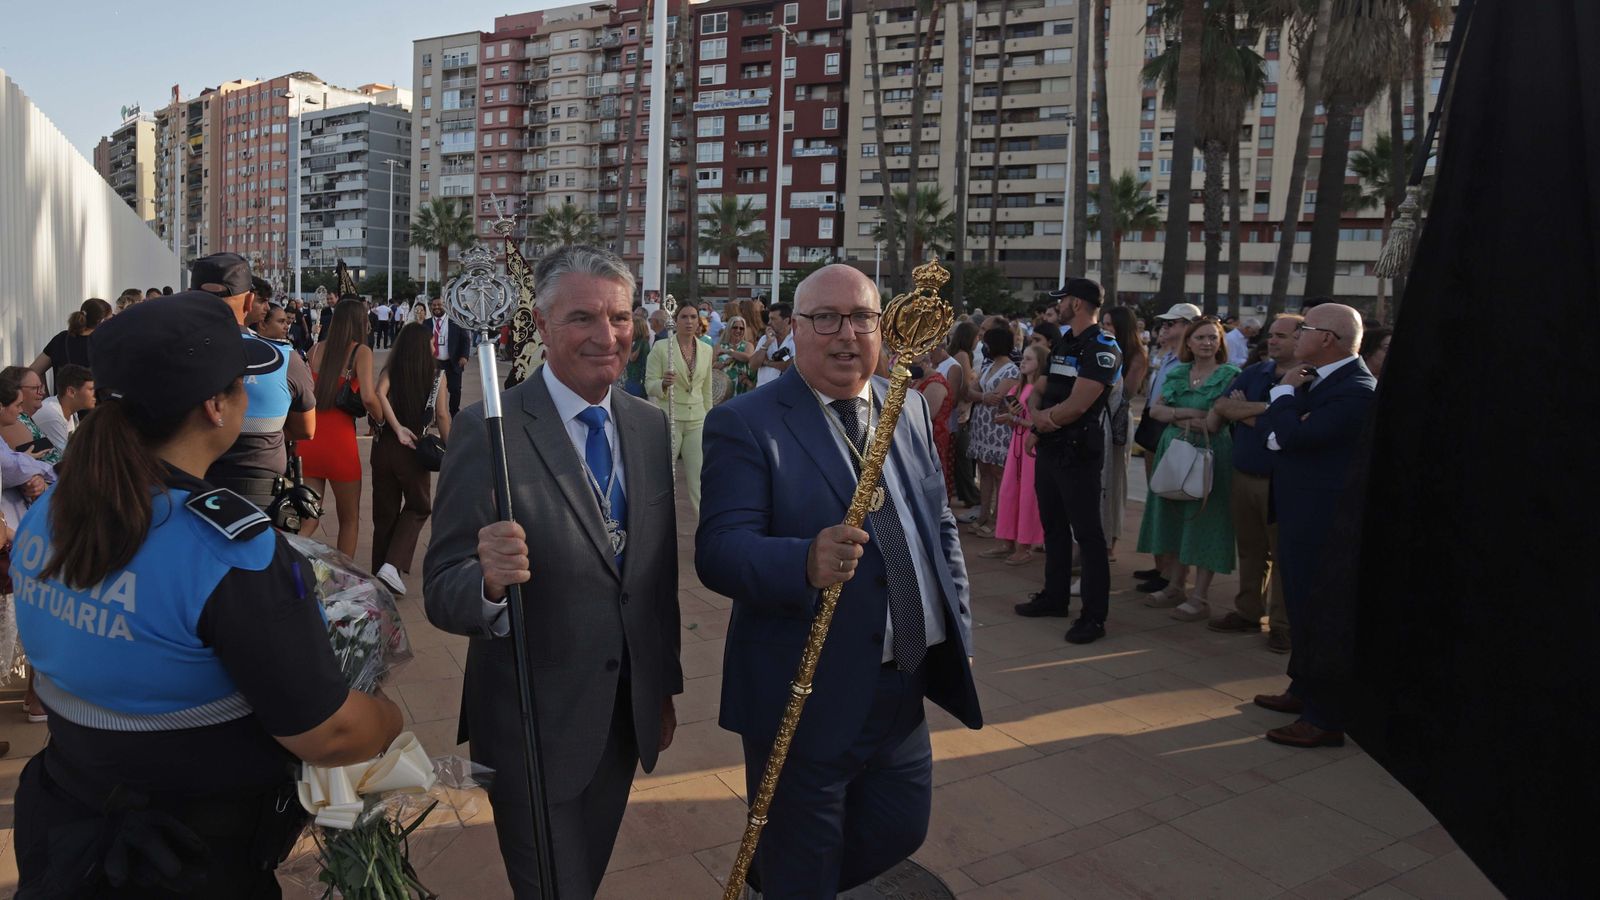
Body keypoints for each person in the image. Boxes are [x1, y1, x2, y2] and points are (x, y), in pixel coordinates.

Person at [10, 294, 403, 895]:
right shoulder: (230, 552)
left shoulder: (52, 510)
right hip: (187, 858)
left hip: (65, 826)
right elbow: (330, 734)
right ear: (217, 407)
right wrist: (385, 717)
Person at [696, 264, 981, 898]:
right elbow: (718, 550)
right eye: (825, 318)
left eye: (861, 318)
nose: (844, 333)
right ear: (794, 329)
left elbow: (936, 522)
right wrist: (802, 561)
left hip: (903, 681)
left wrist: (956, 618)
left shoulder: (902, 407)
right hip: (806, 693)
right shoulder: (748, 422)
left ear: (883, 328)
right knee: (804, 861)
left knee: (900, 827)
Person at [424, 245, 681, 897]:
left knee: (582, 880)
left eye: (620, 317)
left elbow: (654, 579)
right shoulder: (490, 431)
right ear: (540, 324)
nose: (607, 336)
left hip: (623, 716)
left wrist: (663, 685)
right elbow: (441, 589)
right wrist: (484, 579)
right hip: (530, 724)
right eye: (583, 318)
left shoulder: (649, 427)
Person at [1253, 302, 1376, 749]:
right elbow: (1276, 435)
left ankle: (1324, 717)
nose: (1296, 333)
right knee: (1302, 606)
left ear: (1328, 338)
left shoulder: (1356, 389)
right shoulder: (1316, 379)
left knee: (1319, 613)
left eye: (1305, 328)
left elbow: (1295, 436)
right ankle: (1302, 690)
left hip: (1323, 521)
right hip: (1298, 511)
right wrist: (1288, 419)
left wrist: (1284, 398)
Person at [1015, 279, 1121, 644]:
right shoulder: (1064, 342)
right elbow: (1041, 388)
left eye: (1061, 301)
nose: (1056, 306)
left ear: (1076, 303)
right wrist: (1035, 419)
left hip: (1077, 451)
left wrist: (1044, 421)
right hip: (1050, 446)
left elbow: (1080, 403)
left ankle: (1094, 616)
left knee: (1088, 535)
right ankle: (1054, 596)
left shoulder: (1102, 347)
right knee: (1054, 526)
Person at [192, 255, 318, 511]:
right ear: (249, 301)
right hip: (260, 494)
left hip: (186, 490)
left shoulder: (170, 353)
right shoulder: (284, 358)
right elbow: (306, 430)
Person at [1136, 317, 1240, 622]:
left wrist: (1176, 415)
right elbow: (1155, 410)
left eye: (1213, 338)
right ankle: (1175, 585)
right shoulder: (1179, 371)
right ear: (1189, 343)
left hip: (1212, 453)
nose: (1207, 343)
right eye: (1201, 338)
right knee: (1174, 516)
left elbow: (1216, 421)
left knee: (1206, 520)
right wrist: (1189, 413)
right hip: (1175, 449)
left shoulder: (1230, 375)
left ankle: (1200, 596)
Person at [1209, 314, 1301, 652]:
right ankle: (1248, 610)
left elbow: (1298, 421)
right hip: (1244, 475)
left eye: (1281, 335)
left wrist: (1244, 410)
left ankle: (1282, 625)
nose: (1272, 340)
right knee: (1250, 550)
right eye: (1271, 335)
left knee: (1282, 556)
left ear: (1301, 340)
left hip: (1282, 481)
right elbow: (1221, 405)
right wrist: (1269, 411)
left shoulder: (1308, 379)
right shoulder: (1255, 372)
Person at [370, 322, 451, 596]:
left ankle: (379, 571)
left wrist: (395, 427)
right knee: (418, 506)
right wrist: (450, 449)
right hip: (413, 449)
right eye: (430, 342)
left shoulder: (391, 369)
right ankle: (391, 567)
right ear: (421, 346)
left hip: (383, 448)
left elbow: (379, 393)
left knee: (384, 512)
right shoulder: (436, 376)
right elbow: (442, 415)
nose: (434, 346)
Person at [296, 300, 381, 558]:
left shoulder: (315, 349)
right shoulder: (361, 352)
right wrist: (381, 420)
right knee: (349, 520)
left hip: (309, 442)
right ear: (359, 321)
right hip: (340, 446)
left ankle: (287, 561)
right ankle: (345, 581)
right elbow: (368, 397)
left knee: (308, 520)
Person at [1132, 302, 1200, 593]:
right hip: (1153, 428)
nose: (1165, 328)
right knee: (1157, 500)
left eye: (1173, 324)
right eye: (1166, 324)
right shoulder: (1166, 356)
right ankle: (1162, 566)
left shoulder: (1188, 362)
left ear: (1188, 327)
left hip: (1172, 431)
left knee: (1172, 502)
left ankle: (1173, 573)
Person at [646, 300, 714, 513]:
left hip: (698, 421)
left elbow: (707, 389)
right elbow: (649, 383)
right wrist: (663, 384)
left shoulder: (706, 349)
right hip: (670, 419)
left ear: (698, 321)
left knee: (700, 480)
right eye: (684, 316)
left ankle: (705, 529)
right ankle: (655, 523)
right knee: (663, 476)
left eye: (693, 317)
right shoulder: (661, 347)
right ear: (675, 320)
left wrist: (710, 419)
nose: (689, 321)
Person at [983, 343, 1047, 565]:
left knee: (1028, 495)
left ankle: (1025, 545)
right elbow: (1013, 420)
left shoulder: (1041, 390)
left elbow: (1038, 423)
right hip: (1016, 445)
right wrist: (1008, 418)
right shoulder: (1017, 388)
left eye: (1029, 359)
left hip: (1031, 446)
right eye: (1024, 358)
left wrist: (1015, 420)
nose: (1023, 362)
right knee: (1009, 491)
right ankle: (1007, 541)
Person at [964, 327, 1020, 537]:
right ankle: (983, 514)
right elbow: (971, 391)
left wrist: (980, 395)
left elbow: (996, 397)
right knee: (984, 471)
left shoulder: (1012, 370)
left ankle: (998, 520)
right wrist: (981, 397)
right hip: (982, 424)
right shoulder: (989, 367)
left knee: (999, 473)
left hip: (998, 427)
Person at [1102, 306, 1148, 559]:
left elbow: (1126, 393)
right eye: (1104, 324)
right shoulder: (1101, 348)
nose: (1106, 329)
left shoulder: (1136, 355)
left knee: (1115, 481)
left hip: (1117, 420)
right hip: (1098, 420)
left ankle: (1111, 541)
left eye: (1110, 325)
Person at [30, 298, 111, 393]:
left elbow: (35, 370)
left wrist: (46, 398)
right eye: (111, 320)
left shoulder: (61, 338)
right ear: (101, 322)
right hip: (94, 405)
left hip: (62, 405)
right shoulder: (103, 344)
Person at [29, 364, 94, 460]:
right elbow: (67, 458)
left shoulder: (71, 412)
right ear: (71, 392)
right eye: (91, 389)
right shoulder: (51, 414)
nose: (95, 394)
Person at [912, 355, 954, 498]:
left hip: (933, 436)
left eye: (914, 363)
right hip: (919, 436)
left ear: (925, 363)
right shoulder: (919, 379)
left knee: (932, 476)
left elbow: (928, 414)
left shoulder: (936, 383)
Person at [0, 367, 57, 465]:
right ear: (15, 390)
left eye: (41, 387)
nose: (42, 392)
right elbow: (23, 468)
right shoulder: (12, 421)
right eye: (35, 388)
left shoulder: (24, 418)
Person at [429, 297, 471, 416]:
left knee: (455, 390)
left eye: (439, 305)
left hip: (453, 362)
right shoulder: (427, 323)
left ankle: (454, 413)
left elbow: (465, 340)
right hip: (434, 363)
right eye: (434, 305)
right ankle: (436, 415)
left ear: (446, 306)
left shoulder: (456, 322)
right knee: (434, 391)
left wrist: (464, 356)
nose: (436, 307)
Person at [749, 302, 795, 388]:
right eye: (769, 318)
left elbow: (790, 367)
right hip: (763, 390)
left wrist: (766, 362)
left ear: (786, 321)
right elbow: (752, 365)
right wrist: (767, 343)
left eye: (773, 319)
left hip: (785, 391)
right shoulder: (764, 339)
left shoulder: (796, 340)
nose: (769, 322)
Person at [714, 315, 757, 397]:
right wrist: (724, 363)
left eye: (741, 328)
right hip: (722, 390)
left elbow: (747, 357)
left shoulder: (748, 345)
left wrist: (728, 352)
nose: (738, 330)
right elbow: (712, 367)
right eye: (735, 327)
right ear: (729, 328)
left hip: (741, 388)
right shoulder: (719, 346)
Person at [623, 316, 651, 397]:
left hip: (637, 379)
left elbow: (632, 358)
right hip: (633, 378)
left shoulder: (641, 342)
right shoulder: (639, 341)